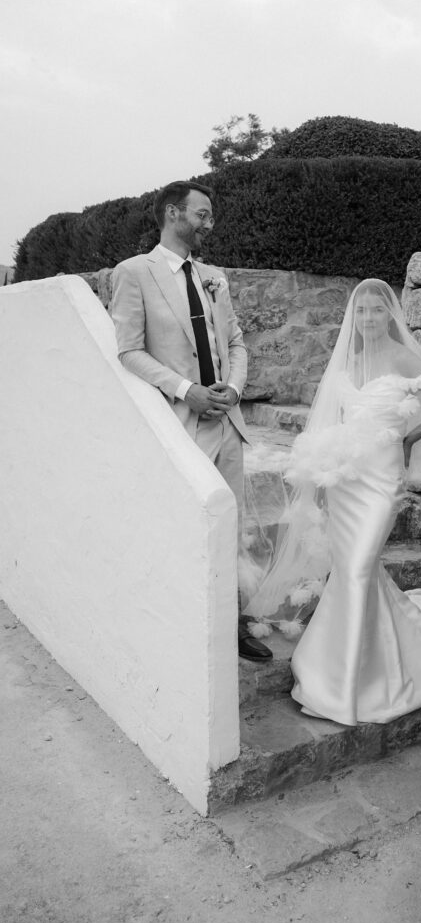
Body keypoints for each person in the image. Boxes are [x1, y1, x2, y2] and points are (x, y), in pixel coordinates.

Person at [243, 278, 421, 724]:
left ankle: (348, 685)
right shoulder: (347, 360)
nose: (369, 318)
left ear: (388, 315)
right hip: (347, 480)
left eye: (376, 310)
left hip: (380, 480)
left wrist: (407, 441)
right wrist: (321, 472)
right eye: (362, 311)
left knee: (358, 568)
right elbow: (330, 423)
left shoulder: (405, 355)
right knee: (353, 571)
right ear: (353, 317)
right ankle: (343, 665)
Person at [110, 180, 272, 662]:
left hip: (228, 424)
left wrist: (234, 390)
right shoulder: (134, 273)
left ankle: (232, 624)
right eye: (202, 214)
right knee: (182, 527)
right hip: (181, 425)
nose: (209, 223)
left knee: (232, 528)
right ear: (173, 213)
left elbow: (237, 342)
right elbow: (128, 351)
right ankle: (180, 625)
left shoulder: (214, 275)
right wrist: (188, 391)